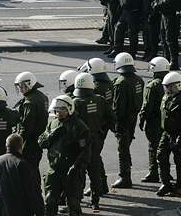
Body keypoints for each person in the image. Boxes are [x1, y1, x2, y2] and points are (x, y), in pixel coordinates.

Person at [39, 95, 91, 215]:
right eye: (57, 110)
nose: (59, 112)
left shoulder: (79, 126)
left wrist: (77, 166)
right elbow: (41, 143)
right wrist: (51, 135)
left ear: (69, 109)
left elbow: (86, 150)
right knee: (49, 200)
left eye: (62, 109)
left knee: (73, 203)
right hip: (54, 170)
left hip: (71, 171)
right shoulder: (53, 124)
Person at [72, 73, 113, 211]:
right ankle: (95, 201)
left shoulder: (75, 102)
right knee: (94, 171)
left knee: (79, 172)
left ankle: (77, 200)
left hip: (80, 142)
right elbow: (111, 117)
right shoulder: (100, 100)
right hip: (95, 139)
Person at [0, 133, 44, 216]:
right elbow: (33, 193)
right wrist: (40, 212)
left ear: (6, 146)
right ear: (21, 147)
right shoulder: (22, 165)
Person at [156, 72, 181, 196]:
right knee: (161, 156)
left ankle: (180, 186)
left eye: (170, 87)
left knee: (179, 160)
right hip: (166, 133)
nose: (168, 89)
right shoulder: (167, 97)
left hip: (178, 134)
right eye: (166, 87)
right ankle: (166, 183)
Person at [112, 52, 144, 188]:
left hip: (123, 120)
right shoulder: (139, 80)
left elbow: (118, 107)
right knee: (126, 146)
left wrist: (114, 123)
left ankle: (125, 177)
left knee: (122, 149)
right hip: (133, 117)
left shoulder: (121, 83)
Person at [13, 71, 48, 186]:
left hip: (30, 142)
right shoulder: (42, 96)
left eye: (22, 86)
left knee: (29, 172)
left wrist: (18, 142)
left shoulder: (29, 102)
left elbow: (26, 126)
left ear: (29, 84)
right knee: (33, 169)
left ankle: (33, 198)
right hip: (38, 139)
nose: (20, 89)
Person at [139, 57, 170, 182]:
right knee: (166, 148)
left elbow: (147, 105)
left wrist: (142, 118)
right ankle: (166, 171)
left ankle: (154, 172)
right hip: (167, 120)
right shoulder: (171, 81)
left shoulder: (152, 85)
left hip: (155, 121)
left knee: (153, 146)